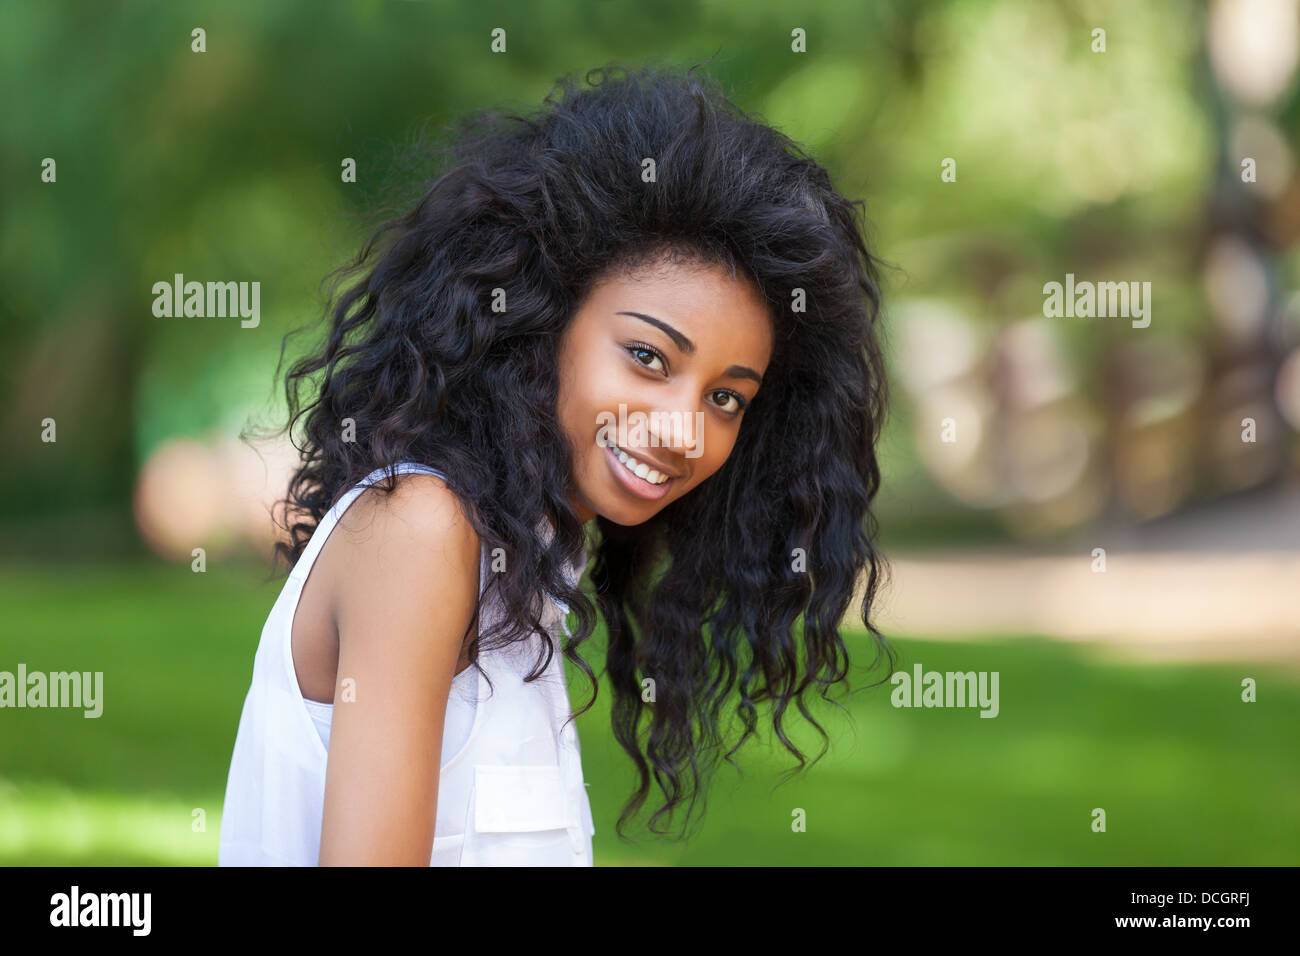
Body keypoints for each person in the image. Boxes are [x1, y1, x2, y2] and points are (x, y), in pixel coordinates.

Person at [218, 60, 895, 866]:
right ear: (542, 321)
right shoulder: (422, 528)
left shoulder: (525, 559)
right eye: (647, 356)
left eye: (727, 398)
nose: (683, 428)